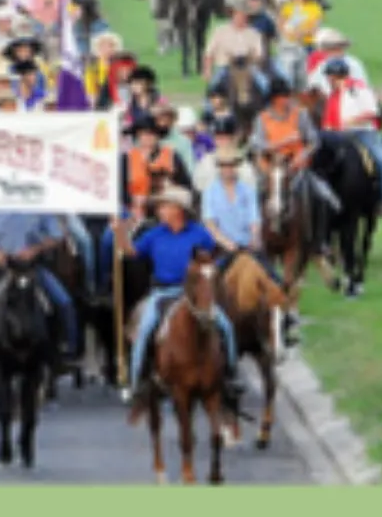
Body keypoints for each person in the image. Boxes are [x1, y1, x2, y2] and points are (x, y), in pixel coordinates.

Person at [117, 184, 243, 414]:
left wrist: (211, 272)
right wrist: (120, 232)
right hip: (162, 293)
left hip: (193, 295)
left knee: (225, 326)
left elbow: (216, 256)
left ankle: (231, 376)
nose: (160, 210)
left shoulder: (200, 234)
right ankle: (137, 382)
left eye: (165, 206)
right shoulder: (154, 234)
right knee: (145, 329)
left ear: (178, 210)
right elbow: (131, 252)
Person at [0, 210, 81, 374]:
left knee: (64, 302)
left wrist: (35, 250)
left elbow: (56, 237)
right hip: (0, 267)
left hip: (32, 267)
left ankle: (67, 351)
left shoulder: (40, 204)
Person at [200, 144, 299, 345]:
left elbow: (255, 218)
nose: (228, 170)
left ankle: (284, 323)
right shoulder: (210, 193)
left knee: (276, 280)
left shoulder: (247, 190)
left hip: (248, 245)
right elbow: (210, 223)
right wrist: (226, 243)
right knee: (212, 283)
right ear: (219, 168)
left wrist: (254, 236)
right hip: (223, 248)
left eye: (232, 166)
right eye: (224, 166)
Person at [250, 78, 338, 253]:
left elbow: (313, 141)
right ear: (274, 99)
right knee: (252, 196)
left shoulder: (300, 114)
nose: (287, 99)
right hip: (271, 168)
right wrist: (282, 143)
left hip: (296, 167)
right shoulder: (262, 119)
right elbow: (256, 144)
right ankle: (255, 238)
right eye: (283, 96)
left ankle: (319, 240)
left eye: (287, 95)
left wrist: (302, 155)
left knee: (323, 196)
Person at [319, 58, 382, 214]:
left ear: (338, 76)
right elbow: (327, 121)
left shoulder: (359, 89)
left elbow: (372, 111)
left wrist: (354, 120)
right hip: (338, 135)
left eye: (330, 76)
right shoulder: (332, 96)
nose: (328, 80)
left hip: (363, 132)